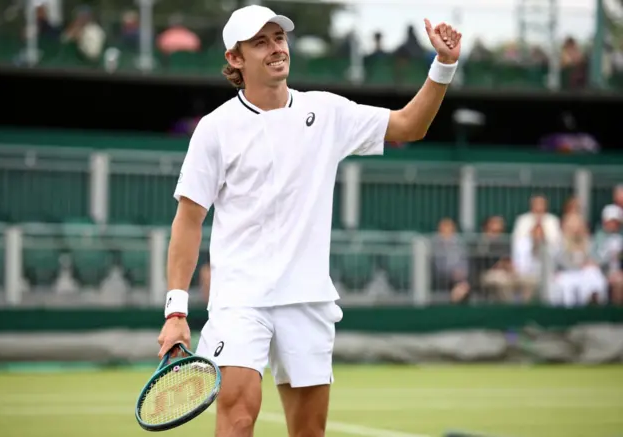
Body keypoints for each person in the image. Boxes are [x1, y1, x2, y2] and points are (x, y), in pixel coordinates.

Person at [156, 5, 462, 437]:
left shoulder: (327, 111)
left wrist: (444, 64)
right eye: (259, 42)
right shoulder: (215, 129)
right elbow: (187, 222)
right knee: (239, 419)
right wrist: (176, 311)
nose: (275, 48)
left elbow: (409, 125)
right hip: (240, 300)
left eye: (278, 38)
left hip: (307, 299)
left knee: (308, 432)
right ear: (235, 59)